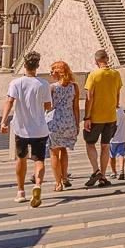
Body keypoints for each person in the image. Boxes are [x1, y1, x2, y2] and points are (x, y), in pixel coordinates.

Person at [1, 52, 52, 207]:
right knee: (39, 160)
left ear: (24, 65)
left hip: (21, 129)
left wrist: (3, 122)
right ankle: (37, 185)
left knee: (21, 159)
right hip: (40, 129)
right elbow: (48, 106)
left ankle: (21, 192)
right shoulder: (43, 84)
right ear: (37, 66)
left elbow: (9, 102)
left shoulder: (16, 83)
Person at [83, 49, 122, 187]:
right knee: (105, 146)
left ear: (96, 61)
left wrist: (87, 117)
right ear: (107, 59)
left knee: (90, 143)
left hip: (95, 117)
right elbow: (118, 94)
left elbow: (89, 97)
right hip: (111, 116)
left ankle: (96, 171)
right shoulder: (116, 74)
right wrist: (115, 105)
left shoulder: (93, 75)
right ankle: (103, 177)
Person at [47, 60, 81, 191]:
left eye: (52, 71)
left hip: (55, 121)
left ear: (58, 72)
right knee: (64, 149)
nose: (51, 74)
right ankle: (65, 178)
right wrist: (77, 124)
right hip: (69, 121)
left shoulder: (52, 87)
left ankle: (58, 183)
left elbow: (47, 106)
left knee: (54, 152)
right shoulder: (74, 87)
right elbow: (76, 107)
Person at [110, 105, 125, 181]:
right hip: (122, 137)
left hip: (113, 139)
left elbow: (114, 126)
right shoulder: (121, 109)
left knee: (112, 156)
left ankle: (114, 172)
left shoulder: (113, 111)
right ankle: (121, 171)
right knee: (121, 155)